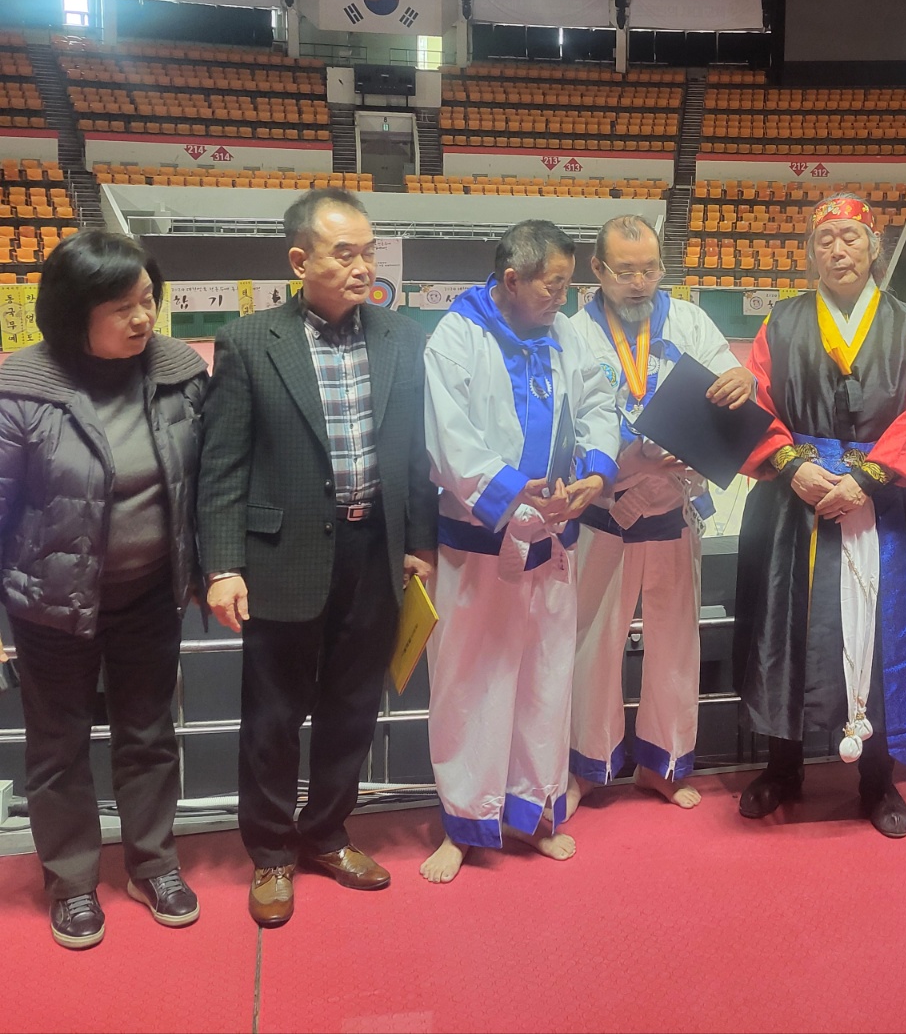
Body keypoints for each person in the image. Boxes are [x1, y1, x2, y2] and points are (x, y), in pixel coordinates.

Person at [198, 188, 437, 927]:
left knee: (353, 708)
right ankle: (271, 852)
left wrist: (419, 543)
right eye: (345, 253)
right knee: (272, 717)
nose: (364, 266)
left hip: (375, 551)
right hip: (281, 555)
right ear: (300, 260)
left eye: (369, 251)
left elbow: (414, 453)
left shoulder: (402, 337)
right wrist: (223, 566)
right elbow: (223, 465)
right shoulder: (249, 341)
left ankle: (328, 832)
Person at [0, 231, 206, 949]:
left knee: (149, 734)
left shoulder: (180, 372)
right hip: (50, 604)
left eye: (147, 298)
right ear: (72, 313)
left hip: (148, 594)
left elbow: (204, 484)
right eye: (121, 307)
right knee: (58, 746)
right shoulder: (22, 389)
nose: (143, 317)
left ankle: (154, 863)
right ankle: (73, 880)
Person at [733, 194, 906, 838]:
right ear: (810, 254)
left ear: (874, 248)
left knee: (878, 636)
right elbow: (757, 401)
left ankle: (878, 779)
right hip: (795, 504)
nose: (838, 250)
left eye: (851, 238)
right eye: (824, 241)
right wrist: (790, 465)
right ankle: (783, 767)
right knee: (789, 630)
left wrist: (867, 480)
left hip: (880, 506)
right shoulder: (783, 322)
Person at [420, 220, 620, 883]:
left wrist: (595, 469)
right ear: (512, 279)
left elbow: (599, 401)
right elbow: (448, 440)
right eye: (552, 286)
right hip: (480, 540)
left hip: (555, 534)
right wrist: (510, 490)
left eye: (566, 286)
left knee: (544, 678)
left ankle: (531, 811)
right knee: (470, 682)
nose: (562, 299)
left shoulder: (567, 333)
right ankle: (463, 822)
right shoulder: (456, 335)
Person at [566, 216, 756, 815]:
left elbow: (728, 377)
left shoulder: (690, 320)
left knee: (676, 645)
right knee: (593, 645)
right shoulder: (573, 333)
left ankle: (663, 764)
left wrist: (740, 380)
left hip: (673, 507)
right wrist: (633, 455)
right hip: (607, 510)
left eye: (649, 270)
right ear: (598, 270)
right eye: (626, 271)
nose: (639, 283)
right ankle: (586, 766)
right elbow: (569, 423)